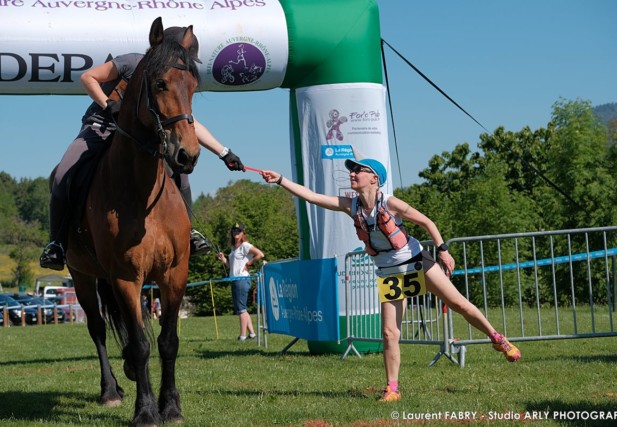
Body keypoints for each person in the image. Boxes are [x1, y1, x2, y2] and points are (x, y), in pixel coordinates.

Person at [261, 158, 521, 402]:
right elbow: (313, 197)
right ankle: (392, 388)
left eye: (358, 170)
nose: (352, 173)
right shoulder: (350, 205)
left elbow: (427, 222)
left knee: (459, 304)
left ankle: (498, 338)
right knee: (389, 333)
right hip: (389, 272)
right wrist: (281, 179)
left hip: (417, 261)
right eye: (352, 170)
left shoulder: (391, 203)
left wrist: (443, 251)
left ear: (374, 178)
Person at [39, 26, 245, 271]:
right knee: (64, 172)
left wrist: (223, 152)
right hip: (101, 126)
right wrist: (108, 104)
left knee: (181, 173)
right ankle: (57, 244)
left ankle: (189, 233)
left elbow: (186, 122)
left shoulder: (173, 80)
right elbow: (88, 78)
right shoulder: (131, 62)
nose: (184, 62)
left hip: (141, 138)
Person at [216, 222, 264, 341]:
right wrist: (223, 259)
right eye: (234, 231)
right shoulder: (233, 248)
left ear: (243, 233)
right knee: (242, 308)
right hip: (235, 279)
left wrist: (249, 263)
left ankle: (242, 336)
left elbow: (260, 254)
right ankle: (252, 334)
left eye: (238, 231)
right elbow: (231, 266)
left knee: (241, 309)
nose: (236, 233)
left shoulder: (245, 246)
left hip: (242, 279)